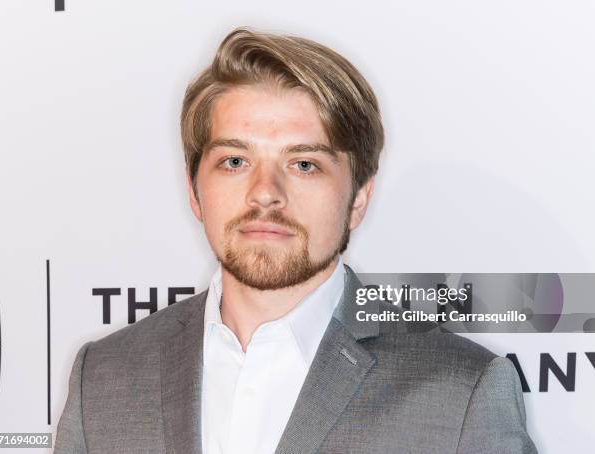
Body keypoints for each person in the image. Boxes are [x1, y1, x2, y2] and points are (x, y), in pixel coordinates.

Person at [54, 27, 537, 454]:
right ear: (194, 189)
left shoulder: (461, 394)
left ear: (358, 198)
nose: (265, 192)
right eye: (234, 162)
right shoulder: (104, 377)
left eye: (304, 164)